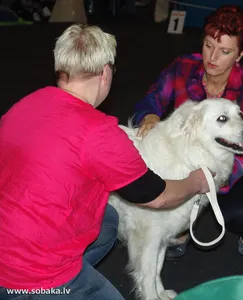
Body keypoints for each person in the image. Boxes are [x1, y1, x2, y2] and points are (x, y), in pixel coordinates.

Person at [0, 24, 212, 300]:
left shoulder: (25, 104)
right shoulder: (99, 133)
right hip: (32, 276)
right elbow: (157, 197)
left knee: (109, 219)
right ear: (105, 72)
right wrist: (196, 182)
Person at [133, 5, 243, 259]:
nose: (212, 57)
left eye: (225, 51)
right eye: (208, 45)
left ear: (240, 55)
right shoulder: (183, 67)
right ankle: (183, 224)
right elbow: (151, 100)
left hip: (236, 172)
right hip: (185, 162)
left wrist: (194, 186)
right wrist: (150, 115)